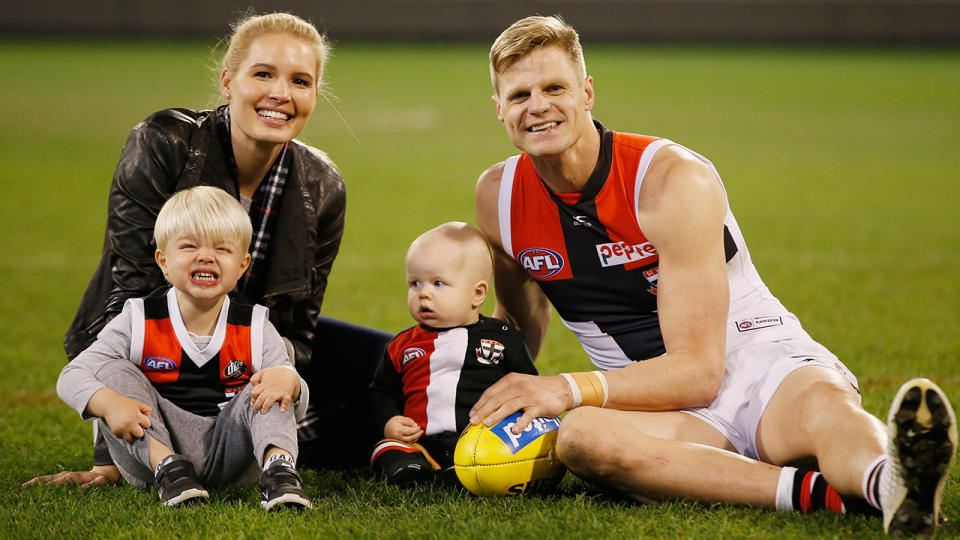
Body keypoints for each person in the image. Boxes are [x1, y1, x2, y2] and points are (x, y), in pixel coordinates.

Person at [469, 15, 956, 536]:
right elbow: (518, 327)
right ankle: (820, 495)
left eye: (554, 88)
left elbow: (699, 371)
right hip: (651, 404)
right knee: (582, 438)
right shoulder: (498, 199)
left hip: (757, 363)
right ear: (499, 109)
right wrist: (465, 398)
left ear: (587, 93)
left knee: (824, 405)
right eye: (519, 95)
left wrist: (566, 387)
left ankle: (891, 482)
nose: (538, 106)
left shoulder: (671, 179)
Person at [26, 11, 391, 488]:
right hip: (158, 343)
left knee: (396, 362)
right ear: (227, 80)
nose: (281, 93)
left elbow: (297, 327)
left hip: (248, 346)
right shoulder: (165, 143)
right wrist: (110, 459)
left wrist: (276, 381)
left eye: (300, 81)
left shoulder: (323, 186)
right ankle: (209, 448)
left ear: (314, 95)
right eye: (263, 74)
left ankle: (288, 442)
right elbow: (130, 292)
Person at [56, 186, 312, 509]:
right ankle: (172, 471)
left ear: (243, 265)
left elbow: (294, 403)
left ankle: (279, 473)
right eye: (190, 246)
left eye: (222, 249)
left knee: (274, 378)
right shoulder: (138, 319)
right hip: (155, 453)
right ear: (162, 260)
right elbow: (71, 375)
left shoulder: (255, 325)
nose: (206, 256)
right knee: (112, 371)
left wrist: (289, 382)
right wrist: (109, 403)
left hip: (230, 458)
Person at [368, 222, 537, 485]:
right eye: (414, 283)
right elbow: (381, 391)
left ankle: (462, 471)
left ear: (477, 293)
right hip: (418, 441)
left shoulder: (502, 338)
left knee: (489, 459)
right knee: (387, 450)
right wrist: (391, 421)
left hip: (480, 442)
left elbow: (528, 387)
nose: (423, 293)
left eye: (438, 283)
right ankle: (413, 468)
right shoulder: (401, 345)